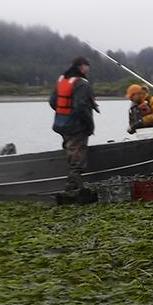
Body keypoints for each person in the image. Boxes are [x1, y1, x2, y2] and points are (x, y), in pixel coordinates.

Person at [49, 56, 98, 198]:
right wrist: (89, 125)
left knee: (70, 150)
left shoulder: (62, 80)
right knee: (77, 156)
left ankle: (74, 184)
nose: (88, 69)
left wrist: (64, 113)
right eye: (87, 66)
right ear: (82, 67)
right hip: (77, 126)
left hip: (61, 124)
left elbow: (52, 101)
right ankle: (73, 187)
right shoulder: (82, 83)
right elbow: (81, 106)